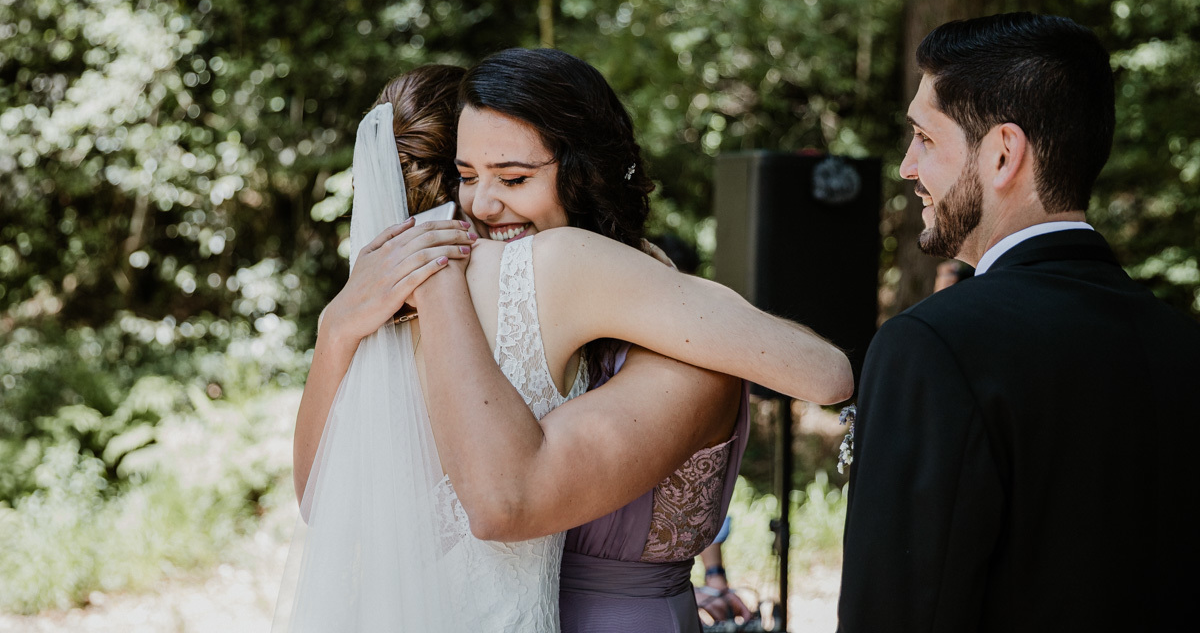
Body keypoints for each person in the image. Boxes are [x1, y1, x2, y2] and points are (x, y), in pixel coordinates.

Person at [285, 57, 854, 633]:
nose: (482, 205)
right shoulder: (521, 272)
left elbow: (321, 505)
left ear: (586, 173)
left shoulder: (408, 296)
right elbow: (829, 373)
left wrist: (334, 331)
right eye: (467, 175)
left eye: (513, 178)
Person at [836, 12, 1200, 632]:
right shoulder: (1183, 344)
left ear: (1003, 152)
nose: (907, 167)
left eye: (925, 138)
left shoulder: (931, 347)